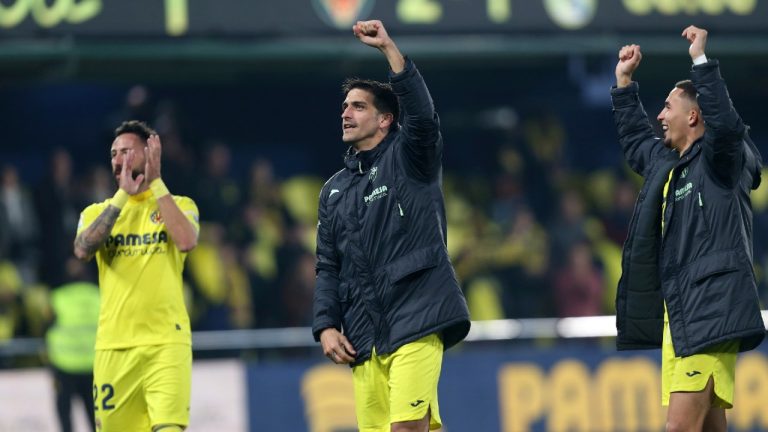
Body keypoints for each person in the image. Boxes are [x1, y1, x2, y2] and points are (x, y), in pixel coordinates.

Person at [312, 20, 470, 432]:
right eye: (344, 106)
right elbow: (327, 266)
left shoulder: (410, 158)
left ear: (385, 121)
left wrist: (389, 51)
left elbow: (422, 115)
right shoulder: (333, 191)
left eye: (358, 106)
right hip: (365, 334)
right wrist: (326, 325)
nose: (346, 112)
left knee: (406, 428)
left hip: (418, 316)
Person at [612, 26, 766, 431]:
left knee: (678, 428)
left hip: (710, 311)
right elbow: (636, 144)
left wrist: (701, 62)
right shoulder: (669, 167)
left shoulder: (720, 164)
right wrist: (624, 84)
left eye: (667, 107)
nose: (659, 115)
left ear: (694, 116)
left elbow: (728, 130)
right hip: (681, 316)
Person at [74, 120, 199, 431]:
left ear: (149, 154)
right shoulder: (96, 213)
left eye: (127, 151)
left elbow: (186, 241)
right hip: (114, 348)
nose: (119, 159)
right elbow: (82, 249)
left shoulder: (181, 205)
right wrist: (121, 197)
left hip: (166, 344)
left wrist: (156, 185)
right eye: (114, 153)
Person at [46, 258, 100, 432]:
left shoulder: (57, 297)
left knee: (64, 413)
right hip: (93, 365)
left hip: (64, 364)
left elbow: (44, 328)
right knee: (95, 414)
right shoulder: (99, 295)